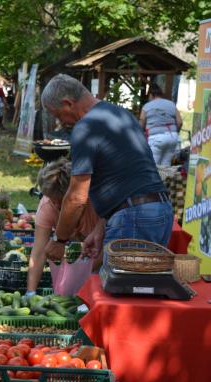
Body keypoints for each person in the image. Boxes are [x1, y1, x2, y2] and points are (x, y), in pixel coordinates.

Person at [40, 74, 173, 264]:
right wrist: (101, 226)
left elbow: (77, 197)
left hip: (135, 217)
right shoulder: (120, 114)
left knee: (123, 290)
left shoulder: (85, 128)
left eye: (58, 115)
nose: (61, 122)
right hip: (160, 211)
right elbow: (131, 176)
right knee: (144, 287)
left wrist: (59, 240)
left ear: (68, 103)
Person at [26, 159, 101, 294]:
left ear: (71, 196)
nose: (54, 204)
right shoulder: (47, 206)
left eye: (58, 200)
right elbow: (38, 252)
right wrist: (30, 291)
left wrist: (80, 273)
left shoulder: (96, 202)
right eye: (50, 199)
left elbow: (109, 247)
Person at [139, 83, 182, 166]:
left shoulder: (147, 106)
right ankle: (164, 179)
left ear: (151, 95)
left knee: (153, 165)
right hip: (172, 137)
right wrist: (175, 132)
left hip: (156, 138)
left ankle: (153, 179)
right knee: (165, 165)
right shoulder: (171, 104)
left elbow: (141, 122)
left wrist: (141, 135)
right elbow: (179, 122)